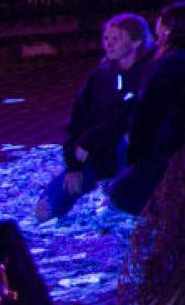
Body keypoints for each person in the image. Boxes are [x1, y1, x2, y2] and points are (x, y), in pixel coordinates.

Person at [34, 13, 154, 221]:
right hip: (97, 157)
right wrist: (74, 164)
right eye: (106, 38)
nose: (108, 44)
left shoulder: (148, 73)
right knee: (46, 209)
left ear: (136, 42)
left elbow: (128, 118)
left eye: (116, 38)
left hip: (127, 155)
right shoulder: (100, 76)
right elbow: (77, 120)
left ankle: (124, 192)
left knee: (127, 140)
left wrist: (90, 141)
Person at [105, 0, 185, 215]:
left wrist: (136, 156)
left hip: (172, 149)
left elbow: (148, 114)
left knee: (121, 194)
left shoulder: (172, 63)